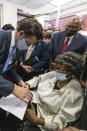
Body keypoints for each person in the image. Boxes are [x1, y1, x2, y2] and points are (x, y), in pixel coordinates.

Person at [23, 51, 84, 131]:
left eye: (62, 70)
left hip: (44, 120)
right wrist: (28, 85)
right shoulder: (54, 74)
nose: (57, 72)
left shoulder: (74, 94)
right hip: (34, 103)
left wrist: (38, 120)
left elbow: (61, 121)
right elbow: (39, 78)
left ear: (72, 74)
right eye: (56, 68)